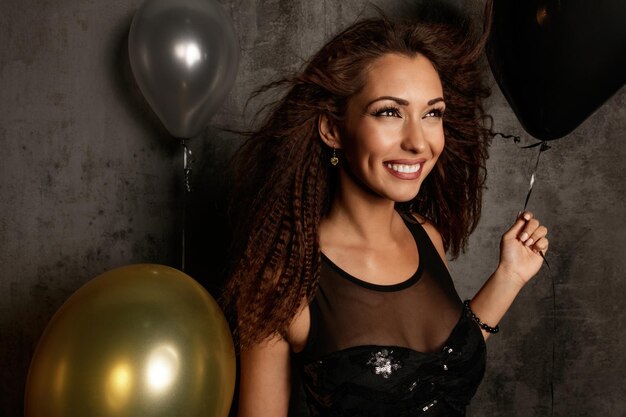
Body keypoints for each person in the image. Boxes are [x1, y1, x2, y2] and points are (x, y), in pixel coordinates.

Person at [221, 6, 549, 417]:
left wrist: (509, 277)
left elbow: (440, 371)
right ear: (332, 129)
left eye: (432, 113)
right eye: (389, 112)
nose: (418, 141)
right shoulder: (284, 277)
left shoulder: (425, 235)